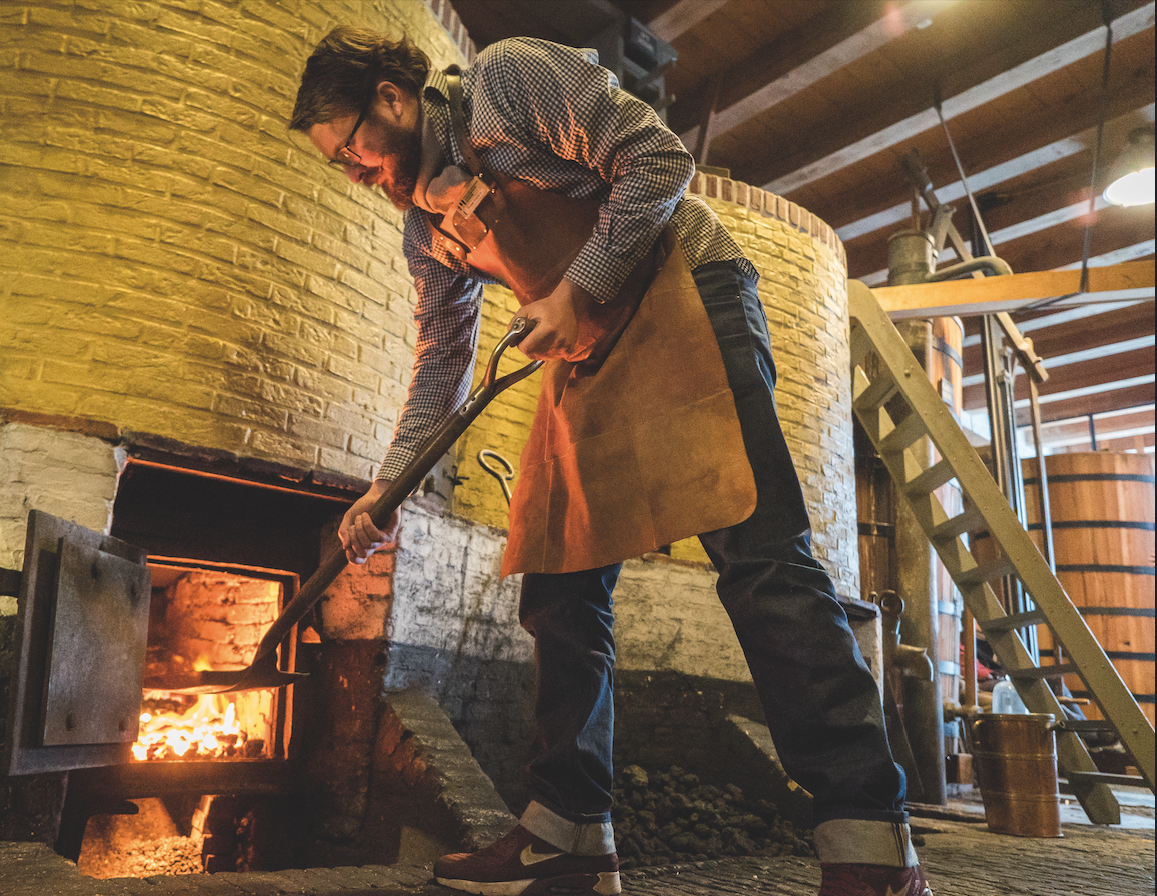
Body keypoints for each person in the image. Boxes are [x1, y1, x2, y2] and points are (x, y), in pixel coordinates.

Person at [290, 27, 934, 896]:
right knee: (557, 582)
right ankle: (569, 837)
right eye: (343, 166)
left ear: (393, 101)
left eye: (354, 150)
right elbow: (443, 359)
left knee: (761, 564)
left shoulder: (507, 83)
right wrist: (388, 483)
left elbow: (658, 162)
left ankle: (871, 844)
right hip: (589, 352)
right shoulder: (425, 233)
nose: (357, 171)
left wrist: (577, 287)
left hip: (684, 294)